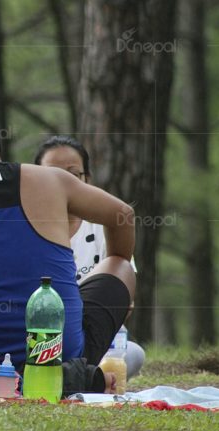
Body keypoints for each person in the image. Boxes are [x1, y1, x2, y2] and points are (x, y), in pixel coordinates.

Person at [0, 105, 136, 392]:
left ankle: (25, 376)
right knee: (121, 265)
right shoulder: (54, 179)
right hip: (63, 354)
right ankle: (68, 372)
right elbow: (124, 214)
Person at [35, 135, 144, 378]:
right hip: (40, 338)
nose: (62, 184)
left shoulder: (106, 227)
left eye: (73, 175)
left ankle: (86, 375)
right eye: (52, 175)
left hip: (95, 338)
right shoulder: (25, 229)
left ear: (87, 180)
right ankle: (88, 378)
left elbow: (123, 300)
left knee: (133, 354)